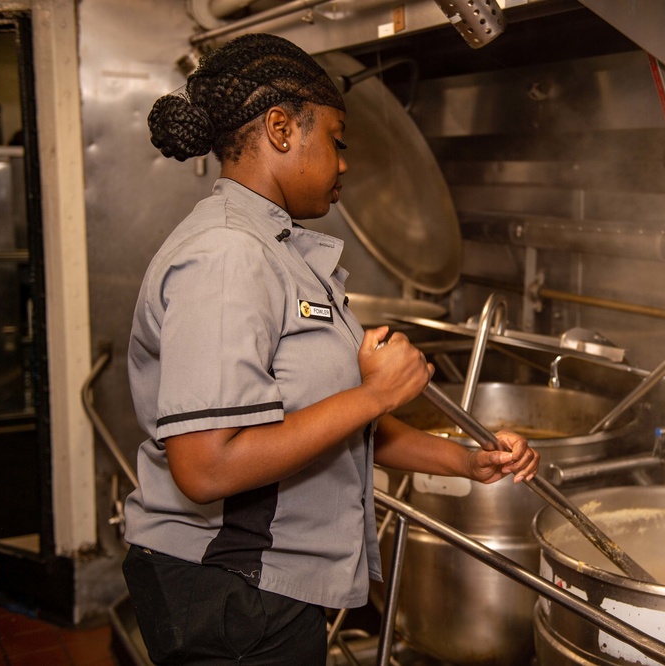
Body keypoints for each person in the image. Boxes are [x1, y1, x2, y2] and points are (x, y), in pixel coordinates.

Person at [121, 32, 539, 665]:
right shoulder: (228, 256)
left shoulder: (277, 250)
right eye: (337, 141)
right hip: (228, 590)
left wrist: (464, 462)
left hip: (263, 587)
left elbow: (334, 423)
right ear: (282, 129)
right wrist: (375, 391)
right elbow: (206, 468)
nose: (344, 163)